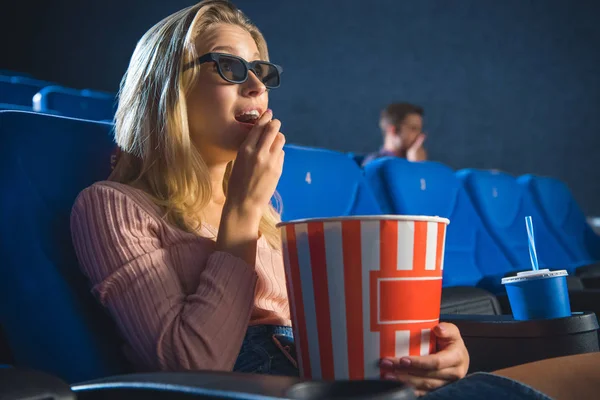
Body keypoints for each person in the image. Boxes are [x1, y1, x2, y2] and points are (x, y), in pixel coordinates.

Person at [69, 1, 588, 398]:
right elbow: (189, 367)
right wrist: (243, 214)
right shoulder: (114, 206)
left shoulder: (266, 213)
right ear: (167, 89)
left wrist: (435, 352)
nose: (256, 85)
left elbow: (331, 343)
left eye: (263, 72)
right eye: (228, 67)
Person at [362, 102, 427, 166]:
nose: (421, 136)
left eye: (420, 130)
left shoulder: (416, 159)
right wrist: (416, 166)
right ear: (393, 131)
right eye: (413, 128)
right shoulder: (374, 164)